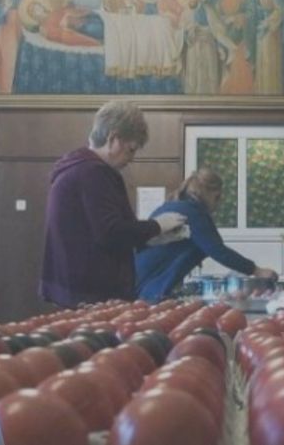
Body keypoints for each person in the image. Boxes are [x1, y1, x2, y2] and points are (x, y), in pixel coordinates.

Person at [39, 101, 187, 308]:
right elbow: (110, 231)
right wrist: (157, 225)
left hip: (75, 291)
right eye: (131, 149)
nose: (132, 158)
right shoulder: (93, 172)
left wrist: (153, 238)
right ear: (113, 139)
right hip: (91, 297)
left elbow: (96, 231)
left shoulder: (77, 169)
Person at [135, 168, 278, 303]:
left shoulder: (172, 205)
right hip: (151, 286)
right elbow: (220, 252)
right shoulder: (193, 213)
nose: (219, 203)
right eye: (217, 197)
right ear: (205, 192)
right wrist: (257, 270)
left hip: (139, 280)